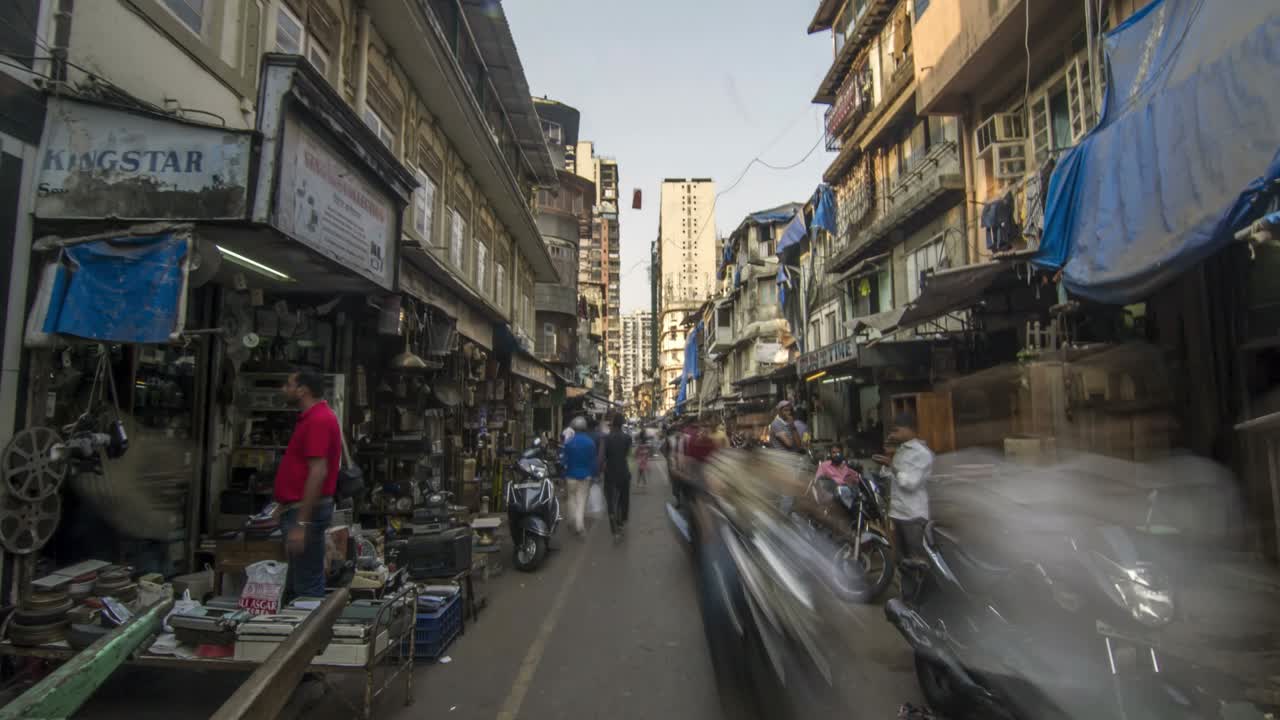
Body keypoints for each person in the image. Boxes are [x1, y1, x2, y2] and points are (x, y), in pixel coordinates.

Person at [275, 369, 341, 600]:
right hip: (297, 510)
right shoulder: (311, 418)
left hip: (306, 513)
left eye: (288, 384)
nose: (285, 389)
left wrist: (301, 522)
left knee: (307, 587)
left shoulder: (319, 420)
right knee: (297, 584)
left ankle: (310, 633)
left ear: (302, 390)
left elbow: (318, 471)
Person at [873, 412, 933, 563]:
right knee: (901, 561)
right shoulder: (901, 450)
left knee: (917, 560)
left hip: (912, 516)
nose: (893, 434)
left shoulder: (922, 453)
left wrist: (892, 467)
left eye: (896, 430)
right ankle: (907, 587)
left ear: (909, 430)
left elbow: (910, 483)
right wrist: (886, 465)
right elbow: (892, 478)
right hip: (898, 513)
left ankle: (923, 586)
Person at [560, 416, 597, 536]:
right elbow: (593, 461)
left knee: (571, 499)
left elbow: (563, 461)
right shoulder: (590, 443)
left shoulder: (569, 442)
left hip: (570, 475)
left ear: (574, 428)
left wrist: (562, 474)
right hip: (585, 476)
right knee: (581, 501)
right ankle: (579, 526)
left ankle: (571, 519)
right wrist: (594, 475)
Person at [601, 413, 633, 542]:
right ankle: (621, 521)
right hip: (624, 472)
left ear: (613, 424)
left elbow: (601, 457)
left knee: (611, 501)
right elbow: (629, 457)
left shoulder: (606, 439)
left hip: (610, 473)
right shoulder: (627, 438)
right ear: (622, 424)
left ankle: (614, 530)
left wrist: (597, 471)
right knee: (623, 499)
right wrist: (629, 471)